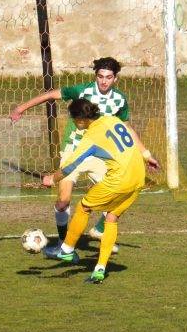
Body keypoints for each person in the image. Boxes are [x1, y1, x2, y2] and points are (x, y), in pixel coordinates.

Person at [10, 56, 159, 244]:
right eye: (100, 76)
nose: (104, 81)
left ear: (116, 79)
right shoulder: (82, 90)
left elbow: (126, 129)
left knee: (121, 194)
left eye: (108, 77)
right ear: (95, 76)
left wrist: (146, 154)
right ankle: (65, 244)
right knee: (63, 201)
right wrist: (20, 108)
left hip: (100, 155)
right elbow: (49, 95)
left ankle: (98, 230)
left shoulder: (119, 100)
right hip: (74, 150)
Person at [41, 99, 153, 284]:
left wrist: (51, 179)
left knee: (84, 207)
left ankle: (67, 249)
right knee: (111, 218)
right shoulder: (112, 119)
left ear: (80, 119)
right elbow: (131, 137)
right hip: (138, 177)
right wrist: (146, 155)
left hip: (119, 179)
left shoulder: (91, 136)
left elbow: (70, 167)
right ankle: (100, 270)